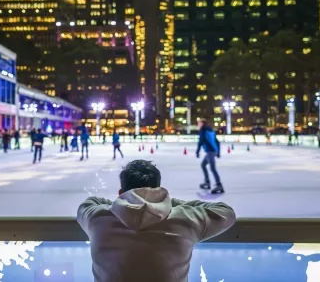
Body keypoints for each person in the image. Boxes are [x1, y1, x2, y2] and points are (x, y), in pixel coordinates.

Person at [77, 160, 236, 282]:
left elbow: (89, 202)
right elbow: (226, 212)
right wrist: (169, 202)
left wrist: (122, 203)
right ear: (160, 191)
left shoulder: (97, 218)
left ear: (121, 193)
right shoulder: (186, 218)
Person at [196, 119, 224, 194]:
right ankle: (207, 182)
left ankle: (219, 185)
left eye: (199, 123)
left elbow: (201, 141)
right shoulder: (210, 130)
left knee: (212, 168)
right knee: (203, 165)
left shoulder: (203, 130)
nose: (198, 124)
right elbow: (217, 141)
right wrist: (218, 152)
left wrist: (197, 151)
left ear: (202, 123)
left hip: (210, 151)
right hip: (212, 151)